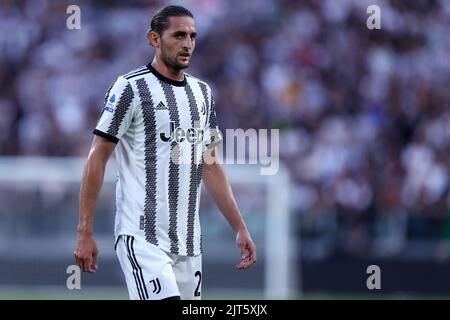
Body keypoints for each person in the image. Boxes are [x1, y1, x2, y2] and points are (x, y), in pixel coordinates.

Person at [74, 5, 256, 300]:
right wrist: (85, 230)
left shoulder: (203, 93)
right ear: (154, 39)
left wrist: (240, 227)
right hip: (142, 237)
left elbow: (209, 165)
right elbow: (98, 156)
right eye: (179, 35)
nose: (187, 44)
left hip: (189, 244)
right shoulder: (130, 88)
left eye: (193, 36)